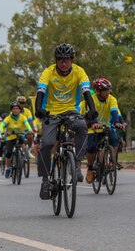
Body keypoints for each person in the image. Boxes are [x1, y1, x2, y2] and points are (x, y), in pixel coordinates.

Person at [35, 43, 97, 200]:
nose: (64, 63)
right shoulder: (48, 72)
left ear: (72, 60)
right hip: (51, 112)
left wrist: (92, 109)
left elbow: (86, 92)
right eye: (60, 60)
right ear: (56, 61)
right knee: (47, 144)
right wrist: (39, 109)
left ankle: (76, 164)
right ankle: (45, 180)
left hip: (71, 110)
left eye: (67, 60)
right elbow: (41, 92)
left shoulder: (79, 71)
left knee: (83, 127)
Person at [82, 78, 125, 184]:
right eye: (105, 90)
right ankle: (91, 168)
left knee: (115, 140)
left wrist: (116, 122)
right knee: (91, 147)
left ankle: (112, 162)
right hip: (94, 127)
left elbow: (114, 111)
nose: (108, 92)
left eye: (109, 90)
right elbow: (91, 113)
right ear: (98, 91)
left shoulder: (112, 99)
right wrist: (94, 123)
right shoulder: (91, 99)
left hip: (107, 126)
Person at [0, 102, 33, 178]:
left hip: (20, 135)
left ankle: (23, 154)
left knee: (23, 142)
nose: (15, 110)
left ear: (20, 110)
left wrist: (30, 130)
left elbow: (27, 125)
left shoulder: (23, 117)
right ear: (11, 110)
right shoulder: (8, 118)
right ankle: (8, 168)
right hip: (10, 137)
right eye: (14, 109)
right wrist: (2, 132)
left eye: (17, 108)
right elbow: (2, 126)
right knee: (8, 153)